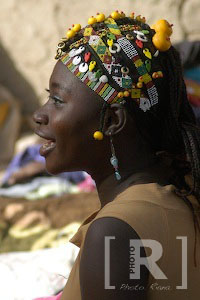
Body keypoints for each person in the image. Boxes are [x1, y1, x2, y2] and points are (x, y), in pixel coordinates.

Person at [33, 11, 200, 300]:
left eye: (57, 100)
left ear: (111, 122)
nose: (39, 115)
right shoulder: (184, 189)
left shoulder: (115, 233)